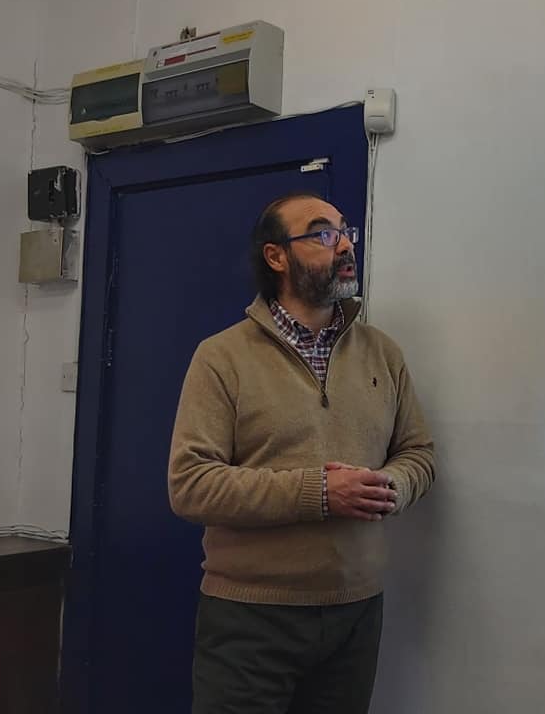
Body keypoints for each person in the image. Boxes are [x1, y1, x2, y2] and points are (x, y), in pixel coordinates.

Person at [167, 192, 435, 713]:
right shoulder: (222, 357)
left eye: (346, 232)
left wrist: (392, 487)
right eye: (323, 233)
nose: (345, 245)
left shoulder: (382, 352)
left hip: (356, 613)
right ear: (276, 256)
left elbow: (417, 452)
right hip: (249, 617)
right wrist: (320, 493)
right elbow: (191, 484)